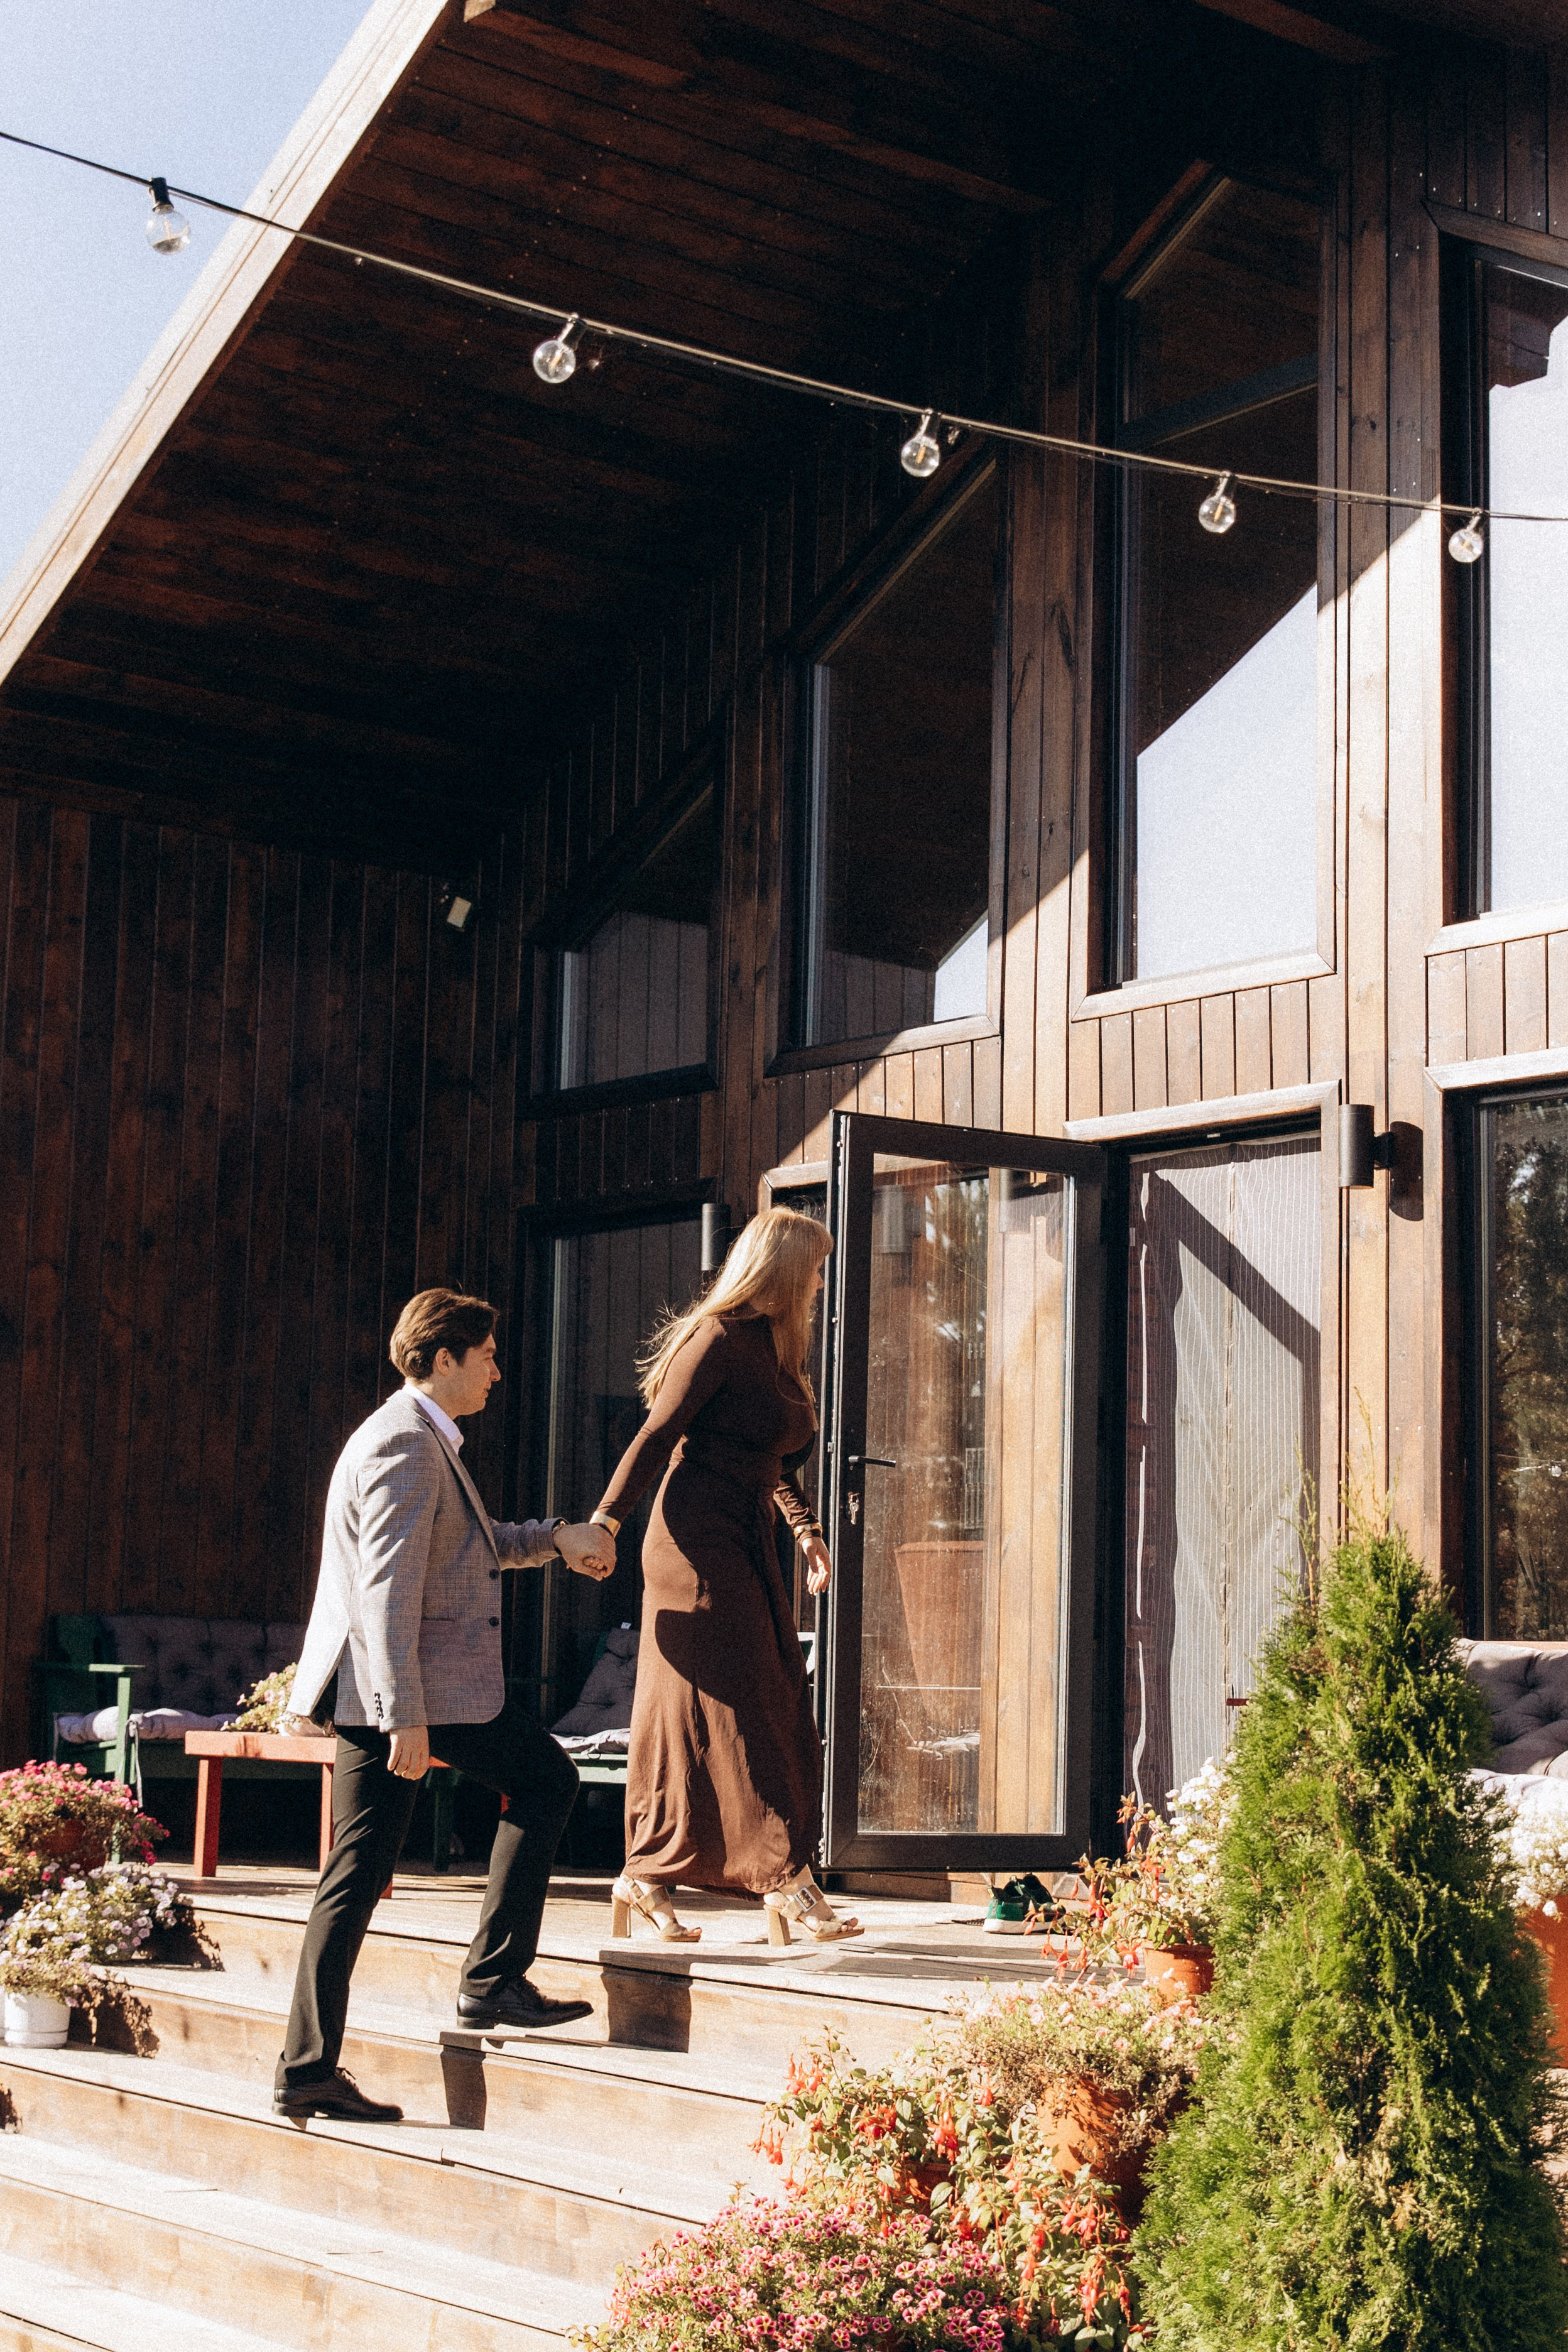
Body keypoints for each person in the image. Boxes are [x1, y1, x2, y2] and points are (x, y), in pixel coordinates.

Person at [273, 1287, 616, 2123]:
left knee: (357, 1874)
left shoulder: (419, 1438)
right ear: (444, 1358)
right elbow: (386, 1590)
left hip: (404, 1690)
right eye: (488, 1356)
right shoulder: (405, 1444)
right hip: (414, 1691)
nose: (498, 1372)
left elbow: (471, 1546)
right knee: (545, 1782)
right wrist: (402, 1714)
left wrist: (555, 1539)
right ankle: (491, 1982)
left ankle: (311, 2068)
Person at [589, 1208, 861, 1947]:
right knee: (748, 1703)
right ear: (783, 1271)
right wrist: (606, 1521)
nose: (820, 1283)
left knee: (734, 1701)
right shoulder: (718, 1337)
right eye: (815, 1269)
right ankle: (784, 1878)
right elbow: (657, 1435)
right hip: (693, 1543)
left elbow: (769, 1461)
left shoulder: (780, 1351)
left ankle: (647, 1874)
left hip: (748, 1536)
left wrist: (806, 1532)